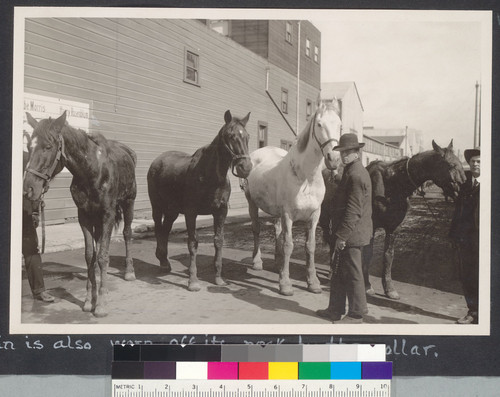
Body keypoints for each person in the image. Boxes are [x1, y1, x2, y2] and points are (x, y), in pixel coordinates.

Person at [317, 133, 373, 324]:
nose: (343, 155)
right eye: (342, 152)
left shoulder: (356, 174)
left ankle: (357, 314)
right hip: (348, 232)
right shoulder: (351, 170)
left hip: (352, 234)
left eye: (348, 152)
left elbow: (354, 211)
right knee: (339, 271)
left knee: (353, 273)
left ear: (357, 152)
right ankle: (335, 309)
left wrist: (342, 237)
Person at [449, 147, 480, 324]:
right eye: (473, 161)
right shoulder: (466, 185)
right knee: (468, 275)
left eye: (479, 161)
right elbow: (458, 211)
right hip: (466, 240)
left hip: (484, 240)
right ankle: (473, 312)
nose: (475, 164)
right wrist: (453, 235)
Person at [23, 134, 55, 303]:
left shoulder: (26, 159)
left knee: (31, 250)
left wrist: (35, 211)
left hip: (23, 211)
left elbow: (35, 186)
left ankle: (39, 290)